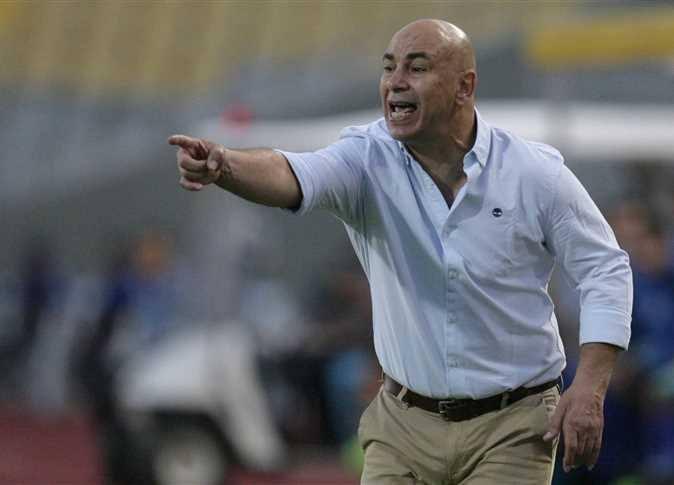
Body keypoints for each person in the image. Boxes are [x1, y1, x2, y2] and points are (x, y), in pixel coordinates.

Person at [168, 19, 632, 485]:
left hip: (513, 426)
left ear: (464, 86)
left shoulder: (534, 173)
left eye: (418, 67)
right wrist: (226, 166)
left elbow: (605, 269)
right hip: (402, 426)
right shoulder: (364, 158)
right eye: (389, 67)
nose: (396, 82)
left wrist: (590, 388)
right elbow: (292, 172)